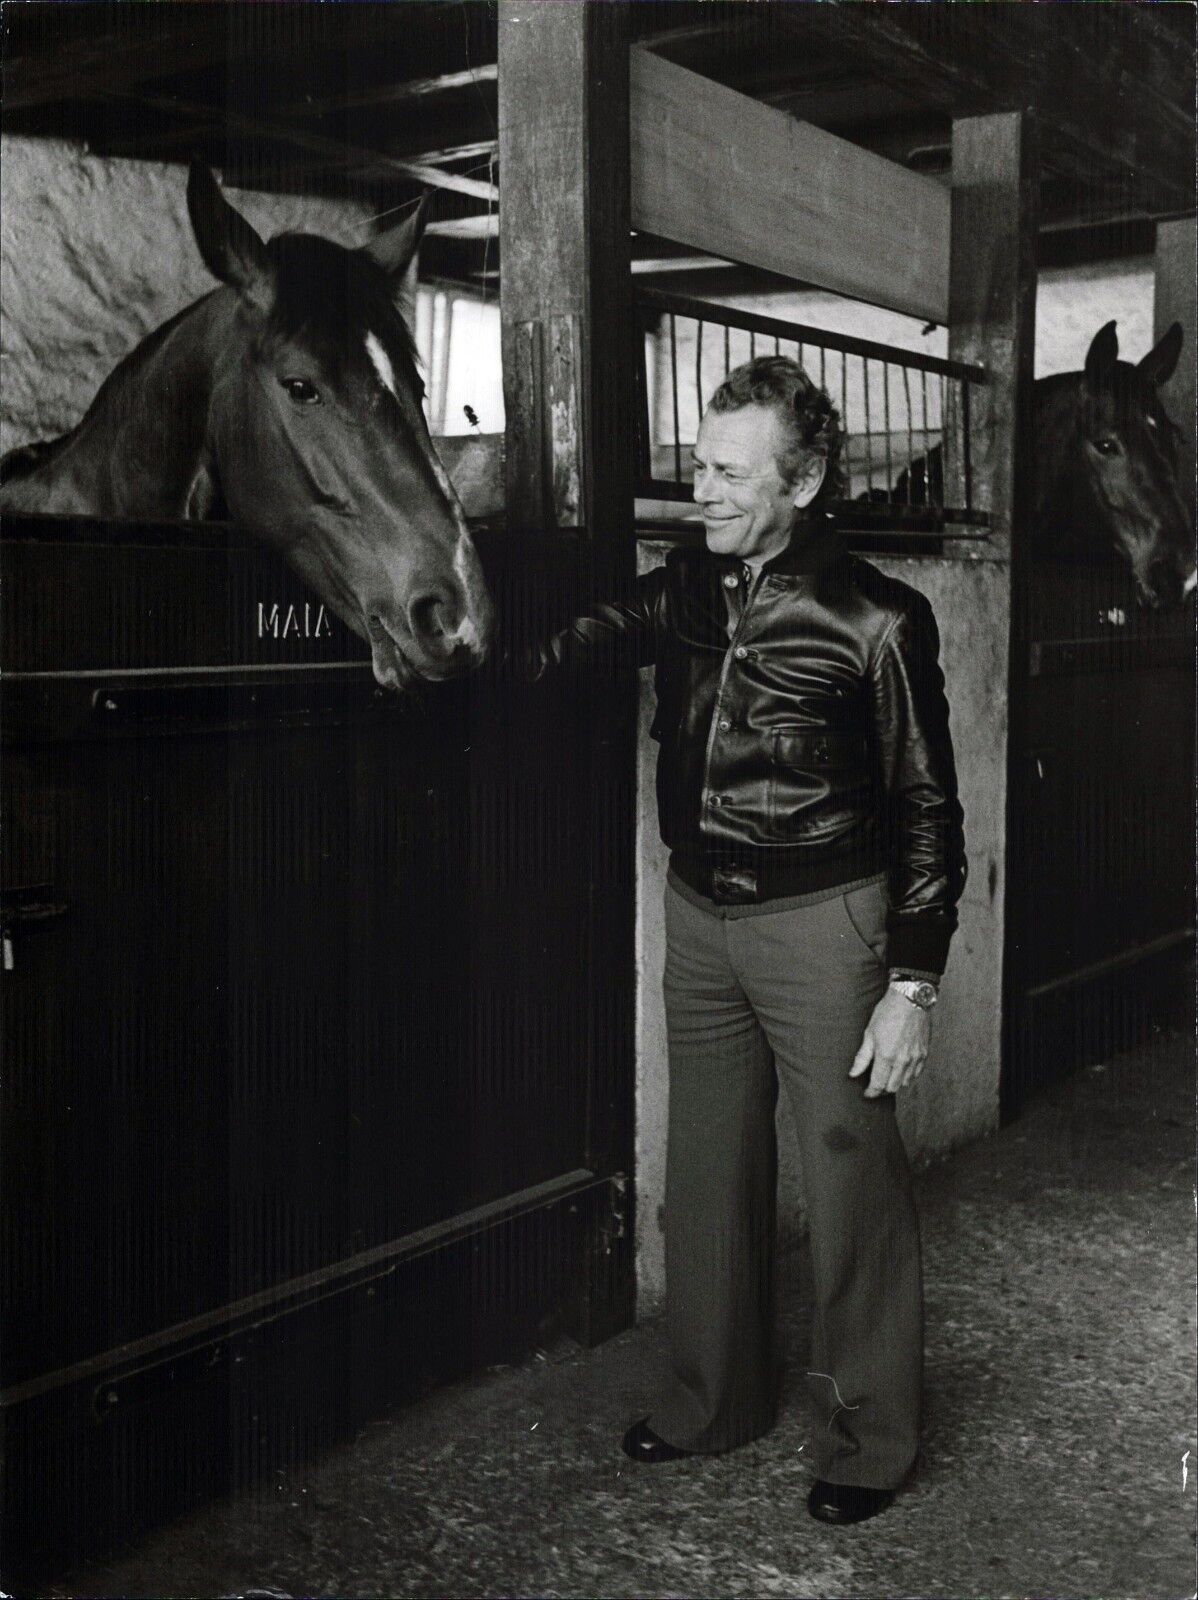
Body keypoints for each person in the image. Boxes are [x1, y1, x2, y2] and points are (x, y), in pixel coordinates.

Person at [528, 355, 966, 1525]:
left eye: (727, 473)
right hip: (699, 914)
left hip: (825, 924)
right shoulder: (682, 588)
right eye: (696, 469)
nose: (698, 493)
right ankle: (707, 1404)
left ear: (805, 479)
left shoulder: (878, 618)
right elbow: (571, 646)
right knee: (709, 1166)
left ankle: (871, 1440)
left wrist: (910, 983)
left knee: (848, 1180)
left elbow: (928, 808)